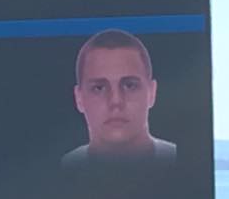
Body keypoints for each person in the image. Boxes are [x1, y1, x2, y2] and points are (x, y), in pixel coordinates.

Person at [62, 29, 176, 167]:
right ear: (79, 98)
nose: (116, 101)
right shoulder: (64, 167)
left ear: (152, 92)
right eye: (99, 88)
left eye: (130, 85)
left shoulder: (184, 160)